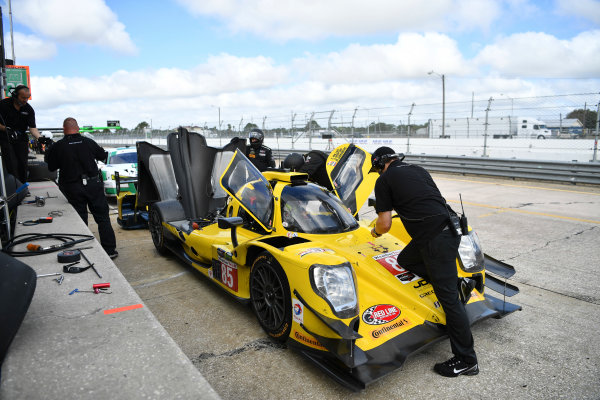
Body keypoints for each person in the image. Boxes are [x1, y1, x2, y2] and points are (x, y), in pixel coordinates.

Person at [368, 146, 478, 378]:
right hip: (449, 227)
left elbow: (384, 224)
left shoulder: (385, 180)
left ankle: (466, 360)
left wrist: (376, 234)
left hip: (435, 238)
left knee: (448, 298)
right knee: (405, 259)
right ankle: (454, 282)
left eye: (376, 169)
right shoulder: (418, 169)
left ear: (379, 165)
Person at [45, 117, 118, 259]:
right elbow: (103, 156)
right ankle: (109, 251)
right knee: (103, 218)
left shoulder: (59, 146)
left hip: (72, 187)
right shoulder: (88, 142)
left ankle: (83, 251)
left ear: (64, 129)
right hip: (93, 184)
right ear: (77, 128)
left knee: (80, 219)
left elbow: (51, 167)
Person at [0, 85, 43, 183]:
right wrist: (6, 129)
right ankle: (14, 186)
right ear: (15, 95)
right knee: (11, 163)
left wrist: (40, 138)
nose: (25, 100)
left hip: (21, 139)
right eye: (23, 98)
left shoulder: (29, 109)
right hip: (6, 137)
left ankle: (23, 186)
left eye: (27, 98)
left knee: (23, 164)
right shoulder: (3, 105)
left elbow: (32, 128)